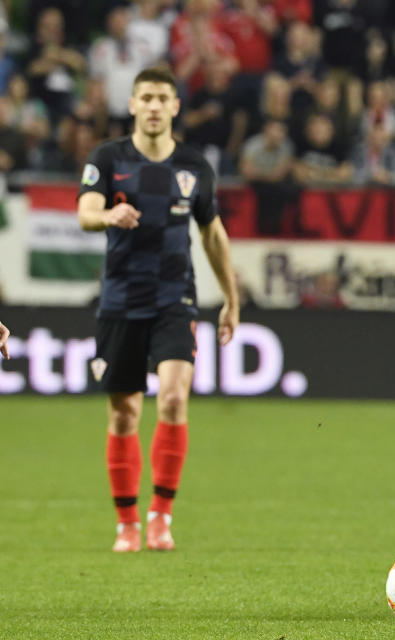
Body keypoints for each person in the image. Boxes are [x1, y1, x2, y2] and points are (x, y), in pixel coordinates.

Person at [77, 66, 240, 553]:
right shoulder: (107, 159)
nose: (152, 105)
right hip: (121, 302)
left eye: (161, 98)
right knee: (125, 412)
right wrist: (107, 214)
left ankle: (160, 516)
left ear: (174, 107)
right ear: (131, 105)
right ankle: (126, 522)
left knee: (172, 398)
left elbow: (212, 234)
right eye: (144, 97)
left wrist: (231, 298)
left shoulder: (194, 167)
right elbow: (85, 212)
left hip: (175, 300)